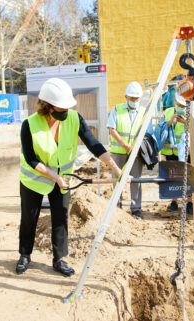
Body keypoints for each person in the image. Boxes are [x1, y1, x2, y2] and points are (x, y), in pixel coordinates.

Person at [16, 78, 122, 277]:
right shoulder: (29, 125)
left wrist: (116, 168)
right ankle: (24, 255)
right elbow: (30, 159)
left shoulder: (74, 118)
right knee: (29, 219)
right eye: (61, 107)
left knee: (61, 218)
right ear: (47, 105)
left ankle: (59, 259)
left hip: (62, 179)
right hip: (34, 180)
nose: (66, 110)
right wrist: (54, 177)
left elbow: (93, 144)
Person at [106, 81, 145, 218]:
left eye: (136, 98)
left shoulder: (143, 112)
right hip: (118, 152)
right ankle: (117, 207)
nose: (134, 101)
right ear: (126, 97)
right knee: (117, 180)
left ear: (140, 98)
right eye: (132, 98)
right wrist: (125, 145)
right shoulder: (117, 109)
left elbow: (146, 132)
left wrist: (136, 148)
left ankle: (136, 208)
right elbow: (112, 129)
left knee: (136, 180)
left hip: (136, 154)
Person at [161, 92, 194, 214]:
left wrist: (186, 122)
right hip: (171, 151)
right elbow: (160, 129)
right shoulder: (167, 112)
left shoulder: (192, 112)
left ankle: (189, 202)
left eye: (183, 106)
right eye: (179, 105)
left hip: (185, 151)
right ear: (175, 103)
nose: (181, 107)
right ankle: (174, 201)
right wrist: (170, 122)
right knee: (172, 177)